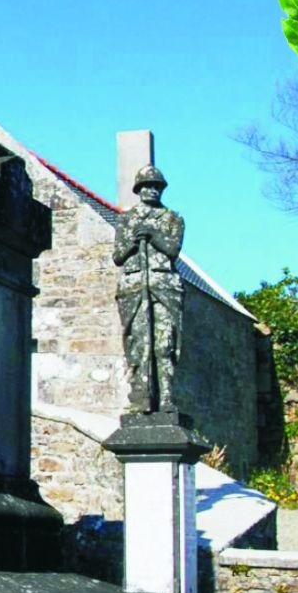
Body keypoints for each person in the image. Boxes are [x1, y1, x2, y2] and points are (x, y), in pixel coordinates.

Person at [113, 166, 184, 413]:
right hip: (134, 286)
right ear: (138, 190)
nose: (150, 190)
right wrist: (133, 242)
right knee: (139, 344)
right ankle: (141, 397)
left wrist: (153, 235)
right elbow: (118, 257)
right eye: (145, 186)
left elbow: (173, 250)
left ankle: (166, 397)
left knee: (164, 345)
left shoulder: (172, 218)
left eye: (155, 186)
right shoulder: (126, 219)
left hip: (163, 286)